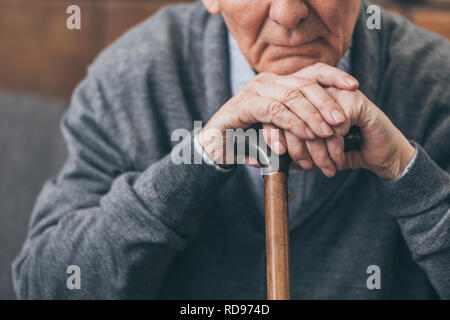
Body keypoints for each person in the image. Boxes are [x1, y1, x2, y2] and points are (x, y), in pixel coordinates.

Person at [13, 0, 450, 299]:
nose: (290, 13)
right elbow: (44, 284)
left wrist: (406, 171)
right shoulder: (129, 79)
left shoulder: (437, 83)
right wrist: (195, 162)